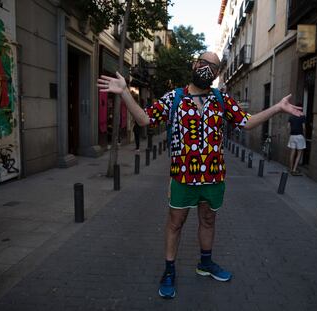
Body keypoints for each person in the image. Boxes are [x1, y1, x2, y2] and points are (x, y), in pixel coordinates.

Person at [97, 52, 303, 299]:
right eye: (204, 63)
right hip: (183, 178)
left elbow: (246, 122)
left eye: (213, 67)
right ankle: (170, 270)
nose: (207, 69)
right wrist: (124, 93)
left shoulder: (221, 99)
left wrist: (278, 108)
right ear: (194, 64)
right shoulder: (175, 98)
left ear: (217, 74)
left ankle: (205, 264)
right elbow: (144, 119)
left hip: (214, 178)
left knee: (208, 220)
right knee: (176, 223)